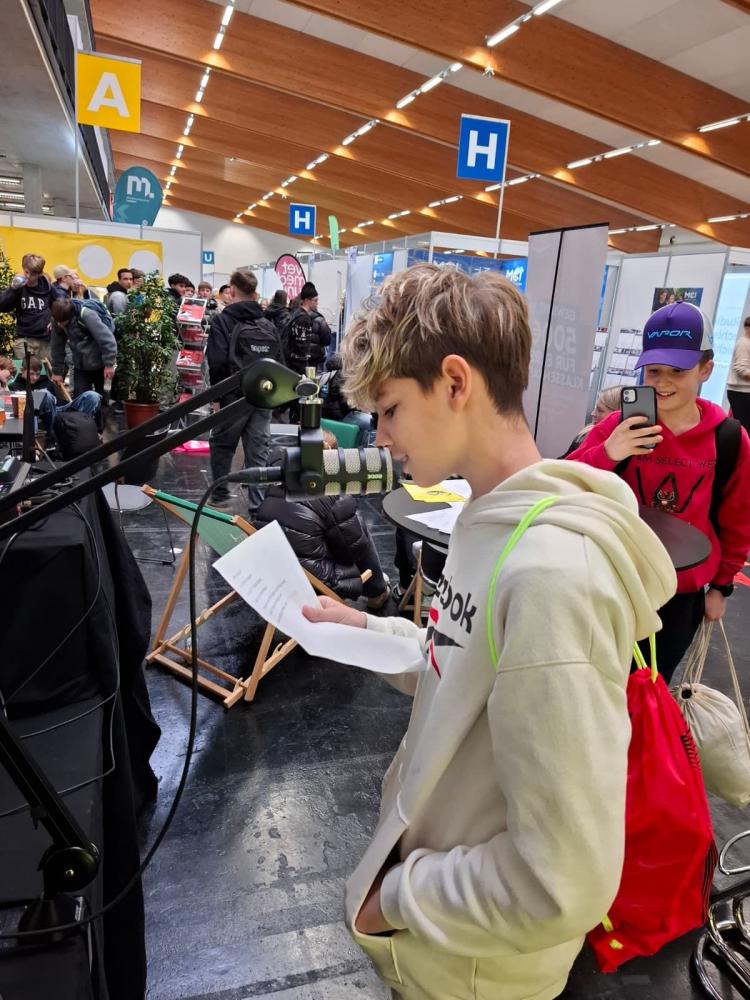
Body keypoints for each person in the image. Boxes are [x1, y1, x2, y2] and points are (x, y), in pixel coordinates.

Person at [301, 264, 676, 1000]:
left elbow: (562, 881)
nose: (381, 435)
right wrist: (366, 628)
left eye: (390, 408)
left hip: (475, 970)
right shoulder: (486, 518)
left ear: (454, 382)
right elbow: (461, 658)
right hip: (439, 939)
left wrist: (397, 899)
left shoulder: (554, 577)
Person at [568, 301, 750, 682]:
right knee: (590, 683)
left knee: (648, 689)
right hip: (613, 580)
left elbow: (737, 520)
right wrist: (609, 452)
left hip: (679, 594)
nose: (663, 383)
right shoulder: (619, 426)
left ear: (705, 369)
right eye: (653, 371)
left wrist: (720, 587)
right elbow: (565, 482)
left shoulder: (728, 439)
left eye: (677, 371)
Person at [254, 430, 390, 607]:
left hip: (273, 572)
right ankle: (377, 593)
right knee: (357, 528)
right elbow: (353, 551)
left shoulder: (277, 475)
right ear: (332, 459)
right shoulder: (333, 494)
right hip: (316, 582)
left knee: (326, 526)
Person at [206, 268, 281, 513]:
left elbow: (217, 363)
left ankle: (220, 497)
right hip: (262, 398)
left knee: (222, 445)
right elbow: (278, 364)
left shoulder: (222, 321)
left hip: (233, 398)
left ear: (231, 290)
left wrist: (217, 396)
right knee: (258, 451)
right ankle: (257, 506)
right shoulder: (267, 324)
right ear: (254, 292)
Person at [49, 298, 117, 407]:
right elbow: (57, 346)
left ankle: (101, 417)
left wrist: (109, 364)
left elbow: (107, 340)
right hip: (80, 365)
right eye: (57, 321)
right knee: (80, 401)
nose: (59, 324)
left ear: (70, 316)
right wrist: (57, 372)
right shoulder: (57, 319)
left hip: (100, 363)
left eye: (62, 322)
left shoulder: (87, 315)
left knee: (101, 402)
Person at [10, 356, 101, 435]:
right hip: (37, 414)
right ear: (22, 370)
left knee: (92, 396)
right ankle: (53, 435)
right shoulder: (14, 387)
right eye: (31, 374)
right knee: (44, 394)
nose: (35, 377)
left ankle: (80, 431)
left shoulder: (46, 382)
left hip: (57, 409)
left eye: (37, 374)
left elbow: (59, 402)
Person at [0, 253, 53, 361]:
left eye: (32, 274)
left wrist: (55, 319)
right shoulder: (19, 287)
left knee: (46, 370)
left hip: (45, 339)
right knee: (25, 370)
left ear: (40, 274)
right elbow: (2, 306)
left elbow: (60, 303)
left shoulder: (47, 287)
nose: (28, 276)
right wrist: (12, 289)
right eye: (26, 272)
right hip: (24, 339)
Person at [321, 352, 374, 446]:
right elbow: (340, 404)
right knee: (369, 423)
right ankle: (362, 447)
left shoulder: (345, 371)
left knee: (369, 419)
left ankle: (360, 445)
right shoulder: (343, 374)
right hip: (340, 416)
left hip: (343, 412)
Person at [285, 281, 332, 374]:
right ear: (307, 300)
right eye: (315, 300)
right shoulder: (303, 318)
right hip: (298, 367)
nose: (317, 303)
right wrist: (304, 369)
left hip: (294, 364)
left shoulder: (296, 314)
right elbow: (301, 348)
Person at [560, 385, 621, 457]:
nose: (593, 413)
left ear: (617, 415)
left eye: (600, 410)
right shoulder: (588, 431)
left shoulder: (594, 440)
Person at [727, 316, 750, 436]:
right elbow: (741, 370)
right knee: (744, 430)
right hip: (741, 393)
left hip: (744, 392)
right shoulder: (743, 343)